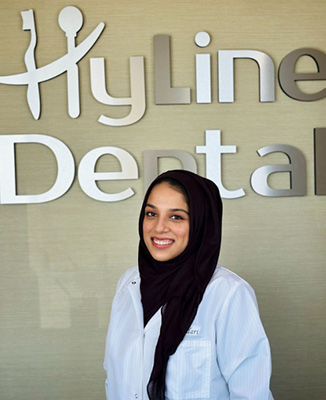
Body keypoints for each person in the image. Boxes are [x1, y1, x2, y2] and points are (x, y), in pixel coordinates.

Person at [104, 169, 274, 400]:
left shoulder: (227, 293)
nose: (158, 228)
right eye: (151, 214)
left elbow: (250, 393)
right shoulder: (128, 284)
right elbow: (114, 379)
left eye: (176, 217)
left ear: (202, 223)